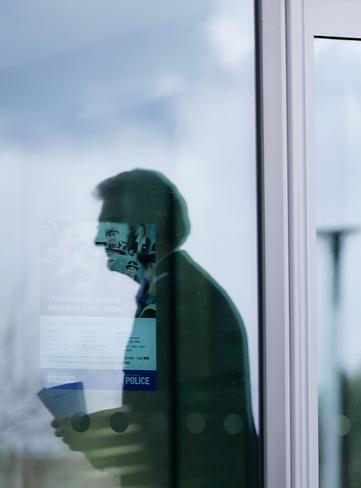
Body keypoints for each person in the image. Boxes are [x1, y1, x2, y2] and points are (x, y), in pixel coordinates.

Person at [52, 169, 259, 488]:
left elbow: (177, 423)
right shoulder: (170, 293)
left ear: (147, 227)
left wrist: (91, 431)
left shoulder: (178, 299)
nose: (97, 239)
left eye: (110, 224)